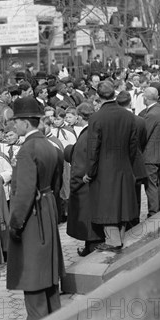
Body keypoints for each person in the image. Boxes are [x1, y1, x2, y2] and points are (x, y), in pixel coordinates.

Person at [6, 97, 65, 320]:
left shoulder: (26, 149)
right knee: (48, 267)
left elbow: (23, 192)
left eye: (16, 121)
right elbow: (57, 181)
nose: (13, 126)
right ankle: (54, 315)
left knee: (32, 268)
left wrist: (15, 223)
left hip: (33, 213)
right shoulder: (49, 144)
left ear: (24, 123)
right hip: (47, 205)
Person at [84, 81, 138, 252]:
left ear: (98, 96)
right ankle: (119, 237)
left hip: (104, 168)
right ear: (114, 94)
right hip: (124, 165)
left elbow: (93, 148)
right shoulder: (128, 115)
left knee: (107, 205)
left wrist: (90, 172)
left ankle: (113, 241)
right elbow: (133, 145)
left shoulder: (96, 118)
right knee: (122, 202)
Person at [66, 102, 103, 256]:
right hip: (95, 182)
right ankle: (89, 246)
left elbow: (79, 165)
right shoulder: (95, 131)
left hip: (85, 184)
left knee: (87, 219)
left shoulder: (85, 136)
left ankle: (93, 249)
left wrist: (74, 185)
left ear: (80, 117)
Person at [139, 87, 160, 216]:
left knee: (150, 186)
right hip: (157, 153)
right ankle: (159, 208)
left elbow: (144, 134)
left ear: (146, 98)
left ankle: (153, 211)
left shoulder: (151, 114)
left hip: (150, 155)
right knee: (155, 184)